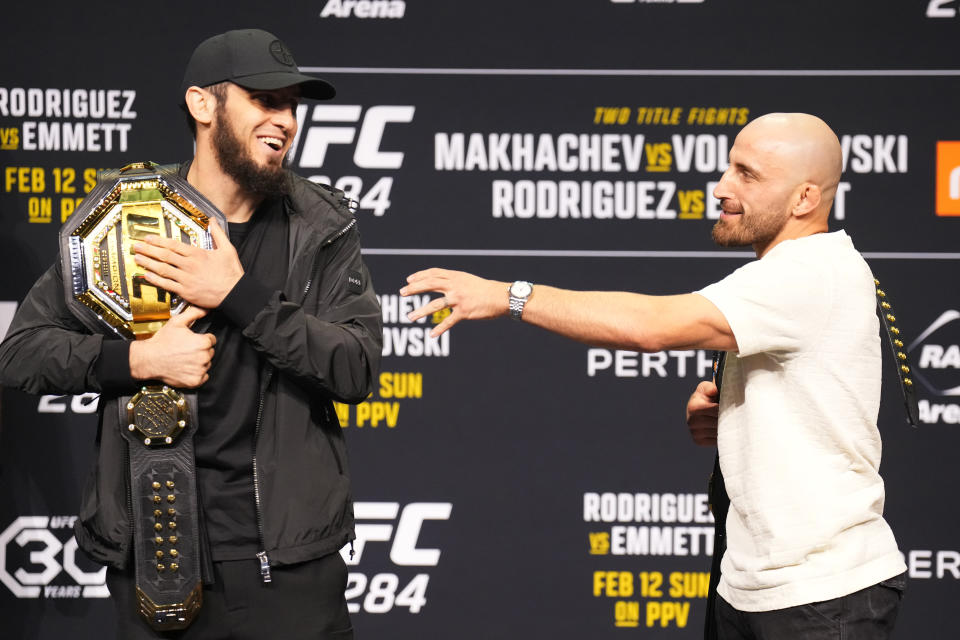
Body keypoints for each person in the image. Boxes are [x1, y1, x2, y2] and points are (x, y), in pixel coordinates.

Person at [400, 113, 907, 639]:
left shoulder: (806, 273)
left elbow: (650, 328)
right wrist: (736, 415)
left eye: (747, 175)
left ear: (804, 198)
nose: (721, 188)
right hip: (757, 583)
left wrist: (510, 295)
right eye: (729, 168)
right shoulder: (795, 272)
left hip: (821, 596)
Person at [0, 29, 381, 639]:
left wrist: (239, 296)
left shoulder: (320, 226)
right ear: (203, 105)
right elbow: (19, 354)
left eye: (290, 105)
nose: (283, 119)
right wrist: (139, 359)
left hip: (290, 568)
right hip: (162, 556)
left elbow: (356, 367)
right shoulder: (126, 217)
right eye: (264, 100)